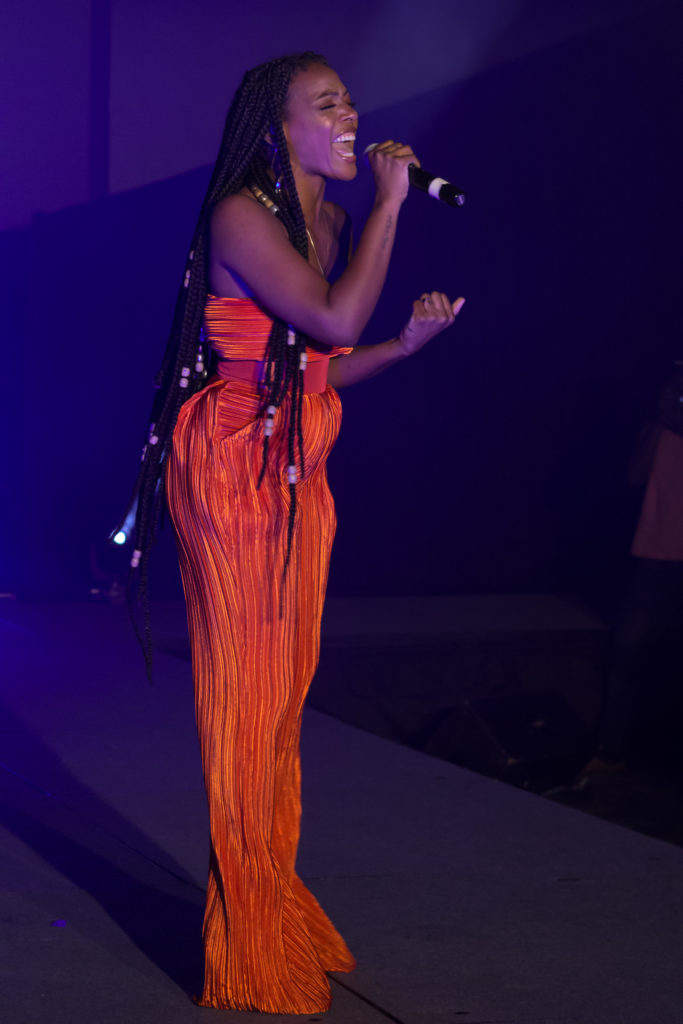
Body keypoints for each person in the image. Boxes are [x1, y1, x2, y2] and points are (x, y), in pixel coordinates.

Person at [120, 52, 465, 1014]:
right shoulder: (241, 214)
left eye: (350, 99)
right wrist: (394, 204)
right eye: (328, 103)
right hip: (230, 463)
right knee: (244, 705)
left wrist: (403, 345)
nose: (351, 114)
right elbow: (333, 313)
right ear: (279, 129)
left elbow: (320, 364)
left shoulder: (333, 223)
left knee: (280, 707)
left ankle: (269, 900)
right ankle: (245, 945)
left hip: (298, 464)